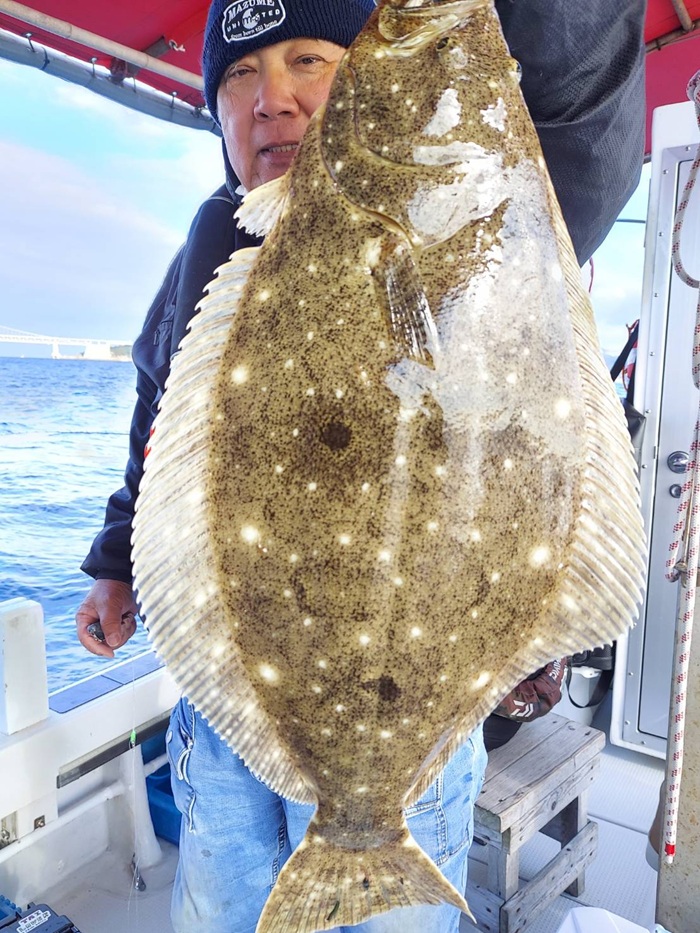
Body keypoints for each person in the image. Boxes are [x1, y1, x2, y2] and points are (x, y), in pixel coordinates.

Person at [75, 1, 647, 930]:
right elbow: (160, 405)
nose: (271, 98)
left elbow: (580, 86)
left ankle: (367, 831)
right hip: (235, 695)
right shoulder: (214, 234)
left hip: (418, 727)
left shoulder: (498, 209)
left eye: (308, 59)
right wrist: (115, 562)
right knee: (221, 909)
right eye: (238, 75)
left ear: (365, 84)